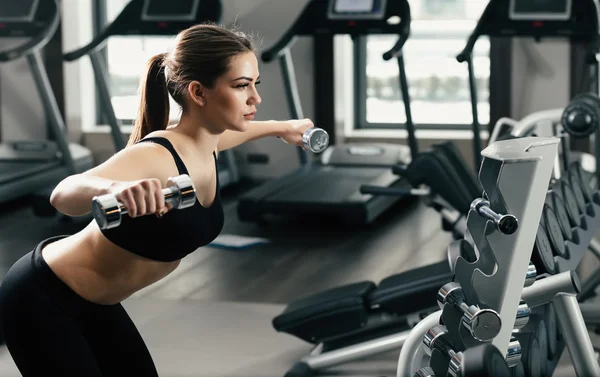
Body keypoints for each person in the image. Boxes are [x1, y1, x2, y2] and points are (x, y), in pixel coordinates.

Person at [0, 23, 315, 377]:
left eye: (256, 84)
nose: (255, 98)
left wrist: (281, 127)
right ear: (198, 92)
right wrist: (111, 190)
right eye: (242, 86)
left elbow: (238, 134)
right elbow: (62, 196)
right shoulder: (157, 155)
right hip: (43, 297)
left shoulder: (208, 141)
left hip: (96, 302)